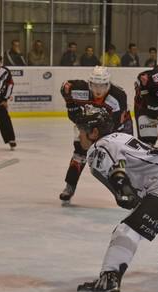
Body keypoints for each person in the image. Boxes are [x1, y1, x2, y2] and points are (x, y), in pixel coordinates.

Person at [73, 105, 158, 292]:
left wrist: (122, 187)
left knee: (127, 230)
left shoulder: (99, 146)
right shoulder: (120, 137)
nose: (78, 135)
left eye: (80, 130)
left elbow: (118, 168)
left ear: (94, 132)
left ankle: (108, 283)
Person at [59, 66, 133, 203]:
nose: (98, 90)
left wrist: (96, 138)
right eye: (94, 85)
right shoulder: (80, 89)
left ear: (108, 84)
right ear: (89, 84)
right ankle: (70, 186)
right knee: (79, 153)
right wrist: (70, 104)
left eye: (103, 85)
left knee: (118, 157)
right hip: (93, 122)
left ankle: (124, 189)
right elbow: (65, 87)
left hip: (119, 126)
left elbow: (114, 125)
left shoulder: (118, 96)